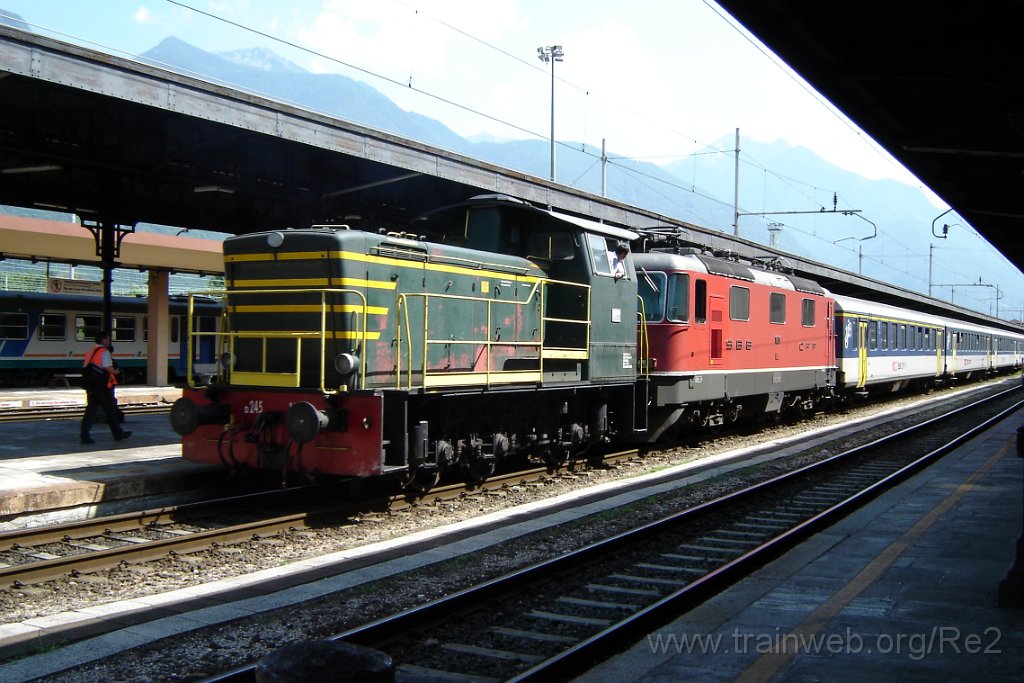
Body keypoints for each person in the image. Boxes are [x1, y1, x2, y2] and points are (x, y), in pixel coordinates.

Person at [80, 331, 131, 444]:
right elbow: (109, 368)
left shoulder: (90, 352)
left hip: (91, 386)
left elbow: (86, 367)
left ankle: (84, 435)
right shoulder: (104, 352)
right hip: (103, 386)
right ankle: (118, 434)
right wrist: (116, 371)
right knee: (110, 411)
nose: (109, 341)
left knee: (90, 411)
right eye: (108, 339)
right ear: (103, 340)